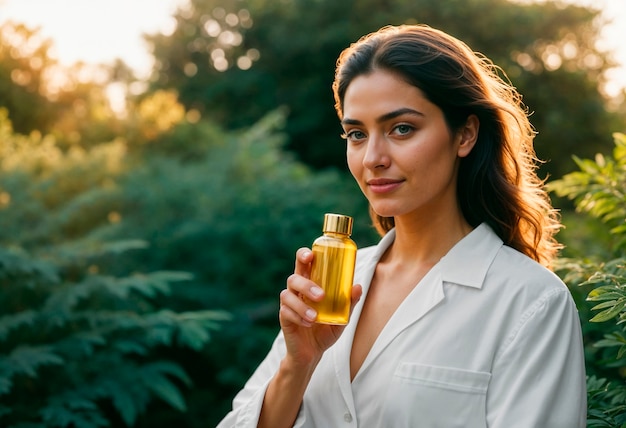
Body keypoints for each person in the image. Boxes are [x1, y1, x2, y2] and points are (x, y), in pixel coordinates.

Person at [217, 24, 586, 427]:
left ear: (465, 134)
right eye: (356, 134)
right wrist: (297, 365)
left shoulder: (530, 301)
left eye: (402, 128)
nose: (373, 157)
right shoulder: (331, 285)